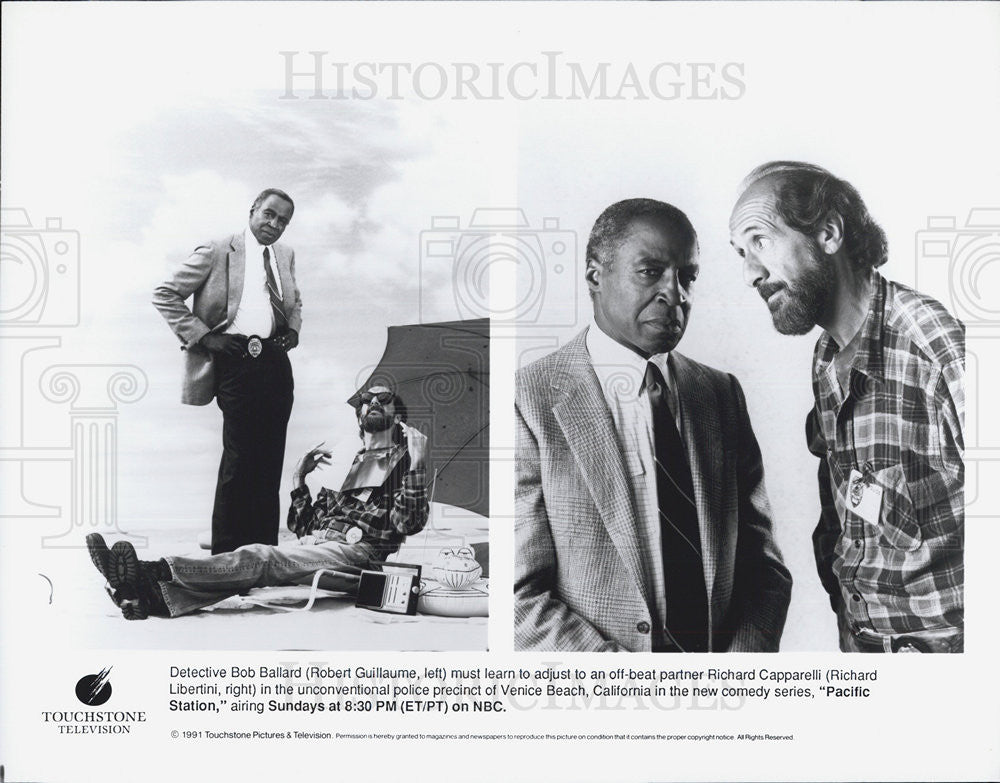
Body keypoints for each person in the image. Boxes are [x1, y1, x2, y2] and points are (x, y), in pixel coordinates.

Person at [515, 198, 792, 652]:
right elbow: (519, 599)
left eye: (688, 276)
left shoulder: (720, 395)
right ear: (594, 277)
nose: (675, 293)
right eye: (650, 271)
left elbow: (764, 569)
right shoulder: (528, 399)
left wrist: (737, 679)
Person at [729, 161, 964, 653]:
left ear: (829, 233)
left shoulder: (933, 348)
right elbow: (845, 506)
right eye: (741, 253)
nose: (750, 272)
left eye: (761, 241)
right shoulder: (826, 357)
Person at [85, 385, 428, 620]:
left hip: (358, 556)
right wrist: (299, 480)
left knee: (261, 556)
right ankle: (145, 597)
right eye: (366, 398)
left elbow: (407, 524)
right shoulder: (351, 463)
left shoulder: (405, 462)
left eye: (383, 398)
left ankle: (148, 571)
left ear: (399, 416)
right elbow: (304, 527)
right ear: (358, 417)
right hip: (319, 546)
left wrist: (417, 464)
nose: (371, 402)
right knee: (253, 565)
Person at [152, 189, 302, 554]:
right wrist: (205, 338)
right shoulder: (219, 249)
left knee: (270, 461)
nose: (274, 224)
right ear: (252, 210)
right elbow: (165, 293)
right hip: (234, 358)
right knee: (241, 457)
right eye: (269, 214)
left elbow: (295, 298)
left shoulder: (285, 255)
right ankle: (228, 557)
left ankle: (263, 555)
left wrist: (294, 329)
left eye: (282, 220)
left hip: (275, 361)